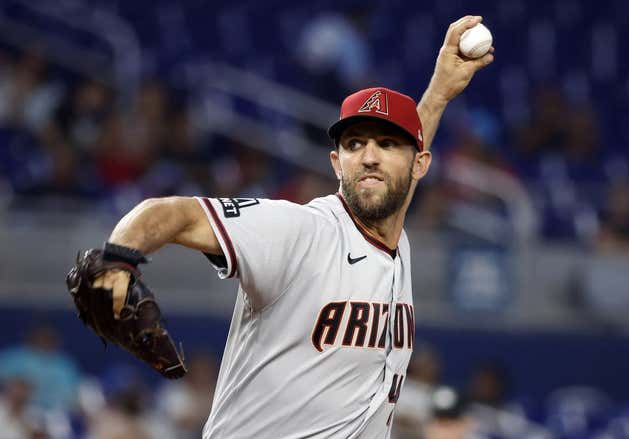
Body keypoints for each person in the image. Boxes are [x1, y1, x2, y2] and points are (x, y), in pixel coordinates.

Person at [89, 15, 493, 439]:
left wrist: (439, 92)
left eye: (387, 143)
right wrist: (118, 258)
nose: (370, 157)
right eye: (355, 144)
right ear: (336, 162)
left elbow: (397, 179)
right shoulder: (301, 230)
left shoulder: (394, 238)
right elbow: (173, 212)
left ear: (420, 163)